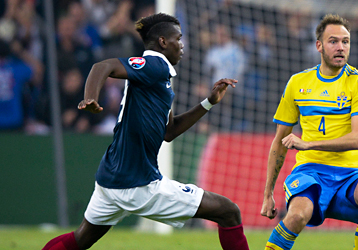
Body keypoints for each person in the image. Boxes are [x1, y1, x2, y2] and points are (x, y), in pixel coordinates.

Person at [42, 13, 249, 250]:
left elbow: (169, 132)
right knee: (229, 212)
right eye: (178, 39)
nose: (182, 45)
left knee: (80, 239)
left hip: (110, 179)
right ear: (163, 42)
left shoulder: (160, 79)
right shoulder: (154, 64)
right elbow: (103, 66)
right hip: (138, 184)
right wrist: (90, 98)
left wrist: (208, 102)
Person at [260, 14, 358, 250]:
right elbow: (279, 141)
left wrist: (309, 144)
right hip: (311, 172)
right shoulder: (297, 83)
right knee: (297, 215)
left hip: (352, 174)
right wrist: (268, 193)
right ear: (319, 45)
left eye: (345, 41)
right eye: (333, 41)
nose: (341, 47)